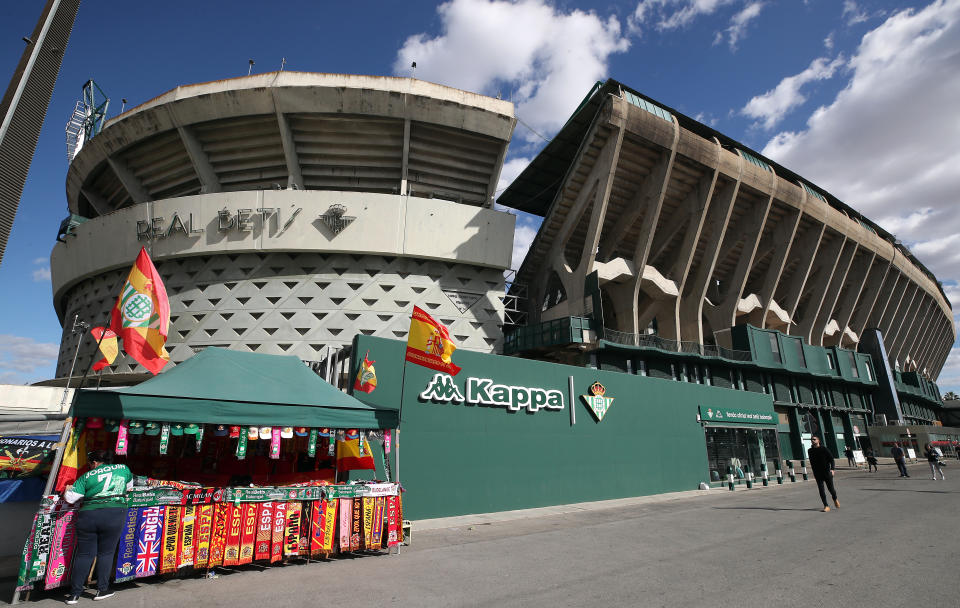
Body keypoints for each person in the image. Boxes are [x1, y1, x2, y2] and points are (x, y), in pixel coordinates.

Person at [63, 449, 134, 604]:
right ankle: (102, 590)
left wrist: (67, 489)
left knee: (84, 554)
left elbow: (70, 497)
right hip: (115, 514)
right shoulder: (123, 469)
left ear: (94, 463)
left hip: (88, 515)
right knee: (106, 553)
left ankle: (74, 594)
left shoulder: (87, 476)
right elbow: (129, 487)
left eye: (90, 464)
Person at [807, 436, 839, 512]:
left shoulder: (824, 449)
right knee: (821, 490)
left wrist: (832, 469)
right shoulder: (810, 451)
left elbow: (831, 459)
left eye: (814, 439)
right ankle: (826, 506)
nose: (812, 441)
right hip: (818, 473)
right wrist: (814, 472)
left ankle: (835, 499)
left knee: (831, 489)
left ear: (818, 440)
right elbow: (812, 462)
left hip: (827, 472)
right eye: (811, 440)